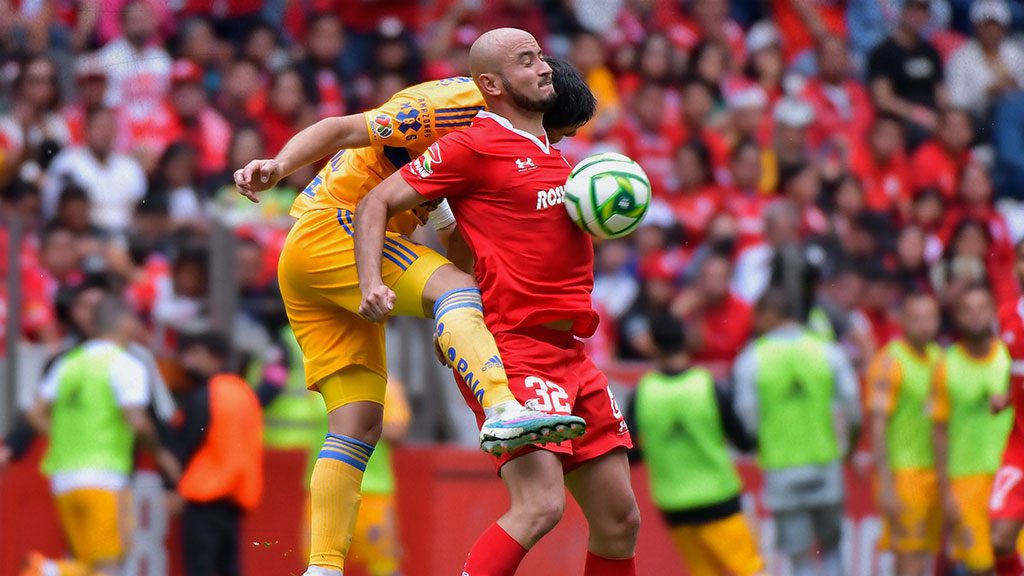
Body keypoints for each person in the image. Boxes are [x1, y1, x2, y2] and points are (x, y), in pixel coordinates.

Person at [234, 49, 589, 576]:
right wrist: (278, 166)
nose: (554, 144)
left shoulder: (487, 142)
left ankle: (322, 568)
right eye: (557, 132)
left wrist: (451, 323)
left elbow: (453, 237)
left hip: (309, 263)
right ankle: (503, 410)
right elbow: (337, 127)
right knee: (453, 290)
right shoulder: (447, 107)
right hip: (335, 228)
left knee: (357, 424)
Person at [355, 29, 638, 576]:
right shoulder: (473, 143)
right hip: (514, 351)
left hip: (572, 354)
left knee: (620, 520)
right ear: (491, 83)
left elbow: (479, 240)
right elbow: (376, 201)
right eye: (526, 61)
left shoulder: (556, 156)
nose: (544, 68)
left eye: (540, 57)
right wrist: (373, 282)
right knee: (541, 506)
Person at [24, 296, 181, 576]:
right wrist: (161, 454)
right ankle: (47, 571)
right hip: (105, 475)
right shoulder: (125, 364)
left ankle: (53, 570)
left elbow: (35, 413)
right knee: (111, 565)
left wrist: (65, 435)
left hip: (63, 478)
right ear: (123, 322)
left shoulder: (69, 362)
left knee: (89, 564)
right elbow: (137, 420)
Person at [733, 288, 861, 576]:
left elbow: (747, 416)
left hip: (782, 468)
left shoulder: (754, 358)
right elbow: (853, 406)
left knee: (801, 558)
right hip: (824, 464)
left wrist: (766, 440)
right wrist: (848, 449)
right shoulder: (826, 350)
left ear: (770, 315)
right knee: (831, 550)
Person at [631, 316, 764, 576]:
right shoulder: (707, 384)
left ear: (654, 346)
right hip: (718, 497)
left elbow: (633, 450)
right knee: (750, 569)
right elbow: (743, 441)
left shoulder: (643, 392)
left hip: (673, 503)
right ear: (686, 341)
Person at [932, 284, 1013, 575]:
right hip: (965, 481)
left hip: (1009, 477)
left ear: (993, 312)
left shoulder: (1010, 358)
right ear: (957, 317)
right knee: (978, 568)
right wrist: (945, 491)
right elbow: (938, 431)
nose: (976, 316)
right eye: (968, 310)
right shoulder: (946, 365)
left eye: (982, 308)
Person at [170, 332, 263, 576]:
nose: (187, 361)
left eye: (196, 354)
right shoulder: (244, 392)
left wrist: (171, 486)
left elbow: (186, 443)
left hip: (203, 495)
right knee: (229, 568)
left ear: (216, 358)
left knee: (199, 568)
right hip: (235, 497)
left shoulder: (206, 394)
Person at [865, 293, 943, 576]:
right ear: (903, 321)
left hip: (933, 472)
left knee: (924, 555)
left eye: (930, 318)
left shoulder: (938, 358)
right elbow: (878, 424)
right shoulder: (889, 361)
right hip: (903, 473)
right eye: (917, 318)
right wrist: (885, 482)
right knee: (908, 555)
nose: (925, 325)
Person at [347, 377, 411, 576]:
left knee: (384, 567)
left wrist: (357, 421)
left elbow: (398, 430)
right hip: (326, 491)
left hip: (373, 492)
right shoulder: (319, 380)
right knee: (320, 565)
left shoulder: (384, 385)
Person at [991, 240, 1024, 576]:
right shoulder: (1006, 318)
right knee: (1000, 539)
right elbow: (1012, 368)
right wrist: (1005, 394)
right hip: (1019, 445)